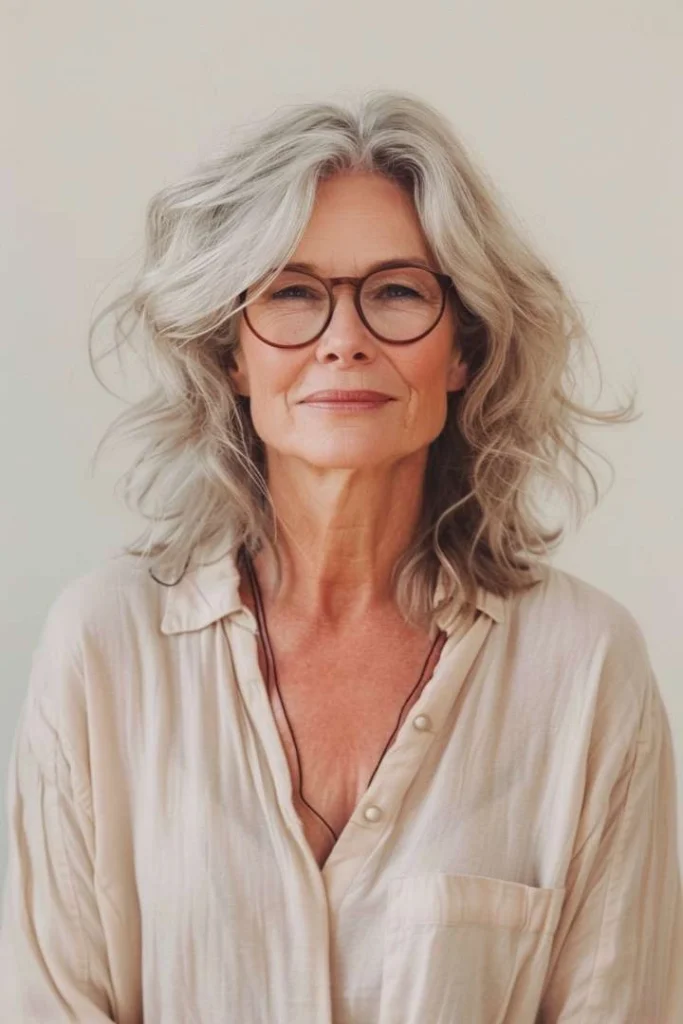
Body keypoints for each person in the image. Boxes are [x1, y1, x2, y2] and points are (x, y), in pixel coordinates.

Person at [1, 90, 681, 1023]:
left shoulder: (585, 665)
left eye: (397, 292)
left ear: (462, 350)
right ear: (232, 354)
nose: (344, 339)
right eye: (291, 293)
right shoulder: (105, 649)